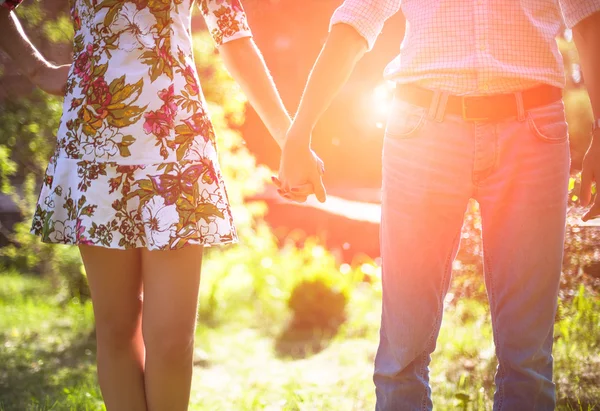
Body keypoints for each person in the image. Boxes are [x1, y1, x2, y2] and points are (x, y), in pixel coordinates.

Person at [276, 1, 600, 409]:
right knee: (402, 354)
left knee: (528, 360)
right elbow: (356, 21)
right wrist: (299, 132)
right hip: (422, 132)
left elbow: (588, 20)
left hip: (533, 131)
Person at [0, 0, 291, 410]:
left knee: (172, 339)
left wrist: (289, 141)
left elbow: (234, 36)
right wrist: (36, 69)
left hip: (177, 145)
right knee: (117, 327)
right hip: (95, 146)